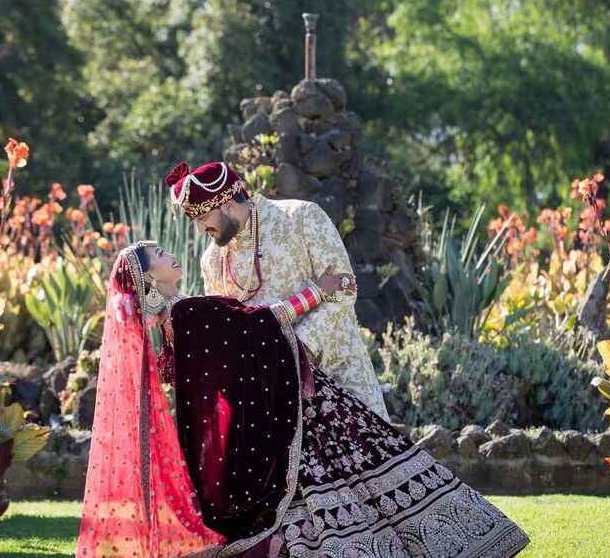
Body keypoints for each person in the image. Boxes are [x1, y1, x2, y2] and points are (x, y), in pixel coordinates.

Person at [76, 241, 529, 558]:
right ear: (148, 276)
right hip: (290, 407)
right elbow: (260, 324)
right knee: (368, 450)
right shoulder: (189, 311)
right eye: (158, 255)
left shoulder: (172, 326)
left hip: (256, 418)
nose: (169, 255)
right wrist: (319, 289)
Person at [165, 161, 389, 419]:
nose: (200, 229)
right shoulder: (212, 261)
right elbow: (226, 332)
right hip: (274, 399)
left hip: (341, 373)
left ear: (226, 203)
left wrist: (295, 350)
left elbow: (344, 289)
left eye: (202, 217)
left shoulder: (302, 217)